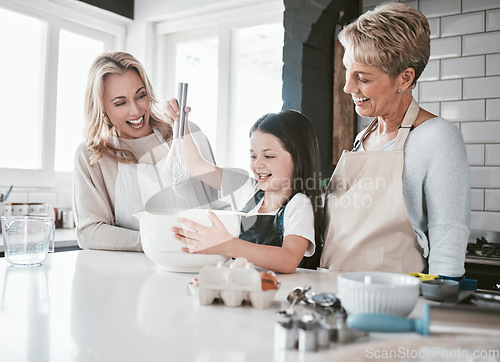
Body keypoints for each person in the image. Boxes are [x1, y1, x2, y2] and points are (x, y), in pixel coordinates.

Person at [320, 3, 470, 277]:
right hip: (335, 293)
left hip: (395, 303)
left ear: (405, 77)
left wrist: (438, 307)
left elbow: (448, 235)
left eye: (362, 78)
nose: (348, 87)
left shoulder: (436, 138)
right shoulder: (362, 138)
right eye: (347, 70)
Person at [73, 51, 221, 251]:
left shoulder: (186, 133)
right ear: (102, 108)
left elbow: (218, 206)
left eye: (141, 95)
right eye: (120, 103)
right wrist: (158, 241)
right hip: (134, 273)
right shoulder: (93, 155)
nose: (136, 111)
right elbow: (89, 232)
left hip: (199, 266)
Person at [166, 104, 323, 273]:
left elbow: (288, 259)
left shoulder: (299, 204)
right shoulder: (248, 189)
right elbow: (197, 166)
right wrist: (181, 125)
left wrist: (227, 245)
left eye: (269, 156)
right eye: (253, 156)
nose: (258, 164)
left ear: (298, 160)